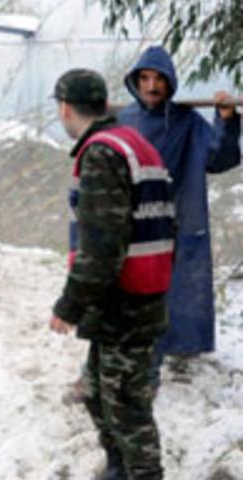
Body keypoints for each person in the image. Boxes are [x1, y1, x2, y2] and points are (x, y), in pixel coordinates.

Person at [50, 68, 175, 480]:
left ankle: (140, 474)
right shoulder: (134, 143)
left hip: (126, 305)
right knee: (98, 395)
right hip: (137, 297)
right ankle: (119, 468)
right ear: (104, 105)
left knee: (126, 408)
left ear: (65, 108)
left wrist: (69, 305)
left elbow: (102, 246)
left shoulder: (103, 154)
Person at [118, 46, 241, 388]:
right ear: (135, 81)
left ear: (170, 83)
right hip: (132, 223)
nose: (152, 86)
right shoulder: (123, 120)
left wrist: (227, 121)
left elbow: (219, 158)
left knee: (168, 292)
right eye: (145, 78)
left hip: (174, 221)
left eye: (159, 79)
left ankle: (153, 368)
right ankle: (117, 366)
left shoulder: (186, 122)